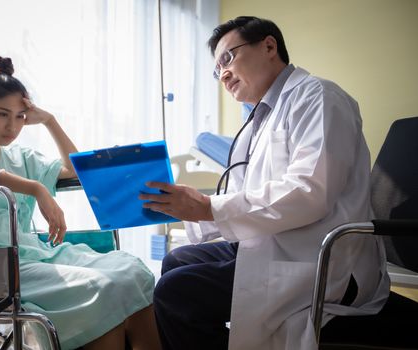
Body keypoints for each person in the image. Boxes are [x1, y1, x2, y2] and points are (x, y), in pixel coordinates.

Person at [140, 16, 390, 350]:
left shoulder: (318, 96)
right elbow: (247, 197)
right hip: (279, 245)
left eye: (228, 58)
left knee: (176, 291)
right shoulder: (262, 118)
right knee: (176, 260)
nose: (223, 74)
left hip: (320, 259)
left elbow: (309, 192)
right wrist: (185, 211)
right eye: (217, 70)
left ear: (269, 46)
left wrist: (208, 207)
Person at [0, 56, 162, 350]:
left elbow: (74, 170)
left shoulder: (20, 157)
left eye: (20, 116)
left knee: (133, 270)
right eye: (2, 114)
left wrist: (50, 121)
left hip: (28, 252)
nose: (12, 126)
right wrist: (35, 188)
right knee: (102, 287)